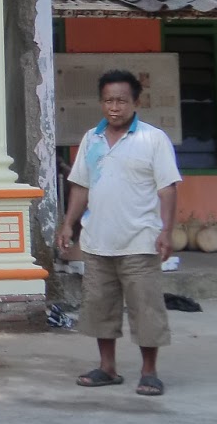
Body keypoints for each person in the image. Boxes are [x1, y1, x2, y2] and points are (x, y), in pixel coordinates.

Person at [57, 68, 182, 397]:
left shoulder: (152, 139)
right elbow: (81, 186)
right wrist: (69, 223)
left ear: (135, 102)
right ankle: (107, 368)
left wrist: (166, 231)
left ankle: (149, 372)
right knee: (100, 309)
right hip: (98, 242)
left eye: (122, 101)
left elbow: (168, 189)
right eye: (108, 100)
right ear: (101, 102)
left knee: (146, 310)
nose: (114, 107)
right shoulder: (91, 139)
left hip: (140, 240)